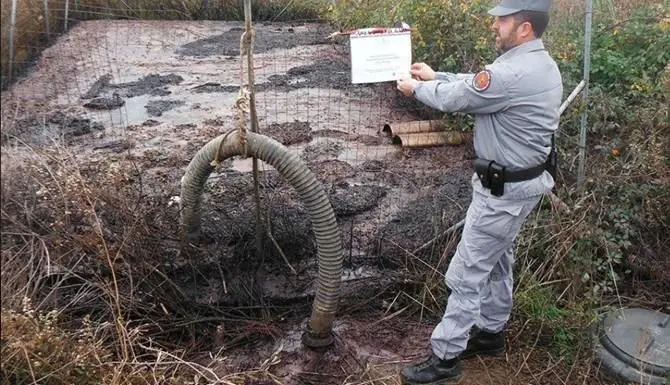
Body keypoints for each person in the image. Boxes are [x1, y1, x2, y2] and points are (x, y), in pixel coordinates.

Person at [395, 0, 563, 383]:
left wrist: (417, 88)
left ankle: (445, 358)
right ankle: (490, 332)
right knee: (499, 259)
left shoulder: (512, 73)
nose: (495, 25)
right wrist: (439, 73)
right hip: (521, 187)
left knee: (467, 273)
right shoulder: (539, 64)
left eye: (503, 20)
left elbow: (459, 97)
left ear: (524, 28)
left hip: (502, 195)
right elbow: (479, 83)